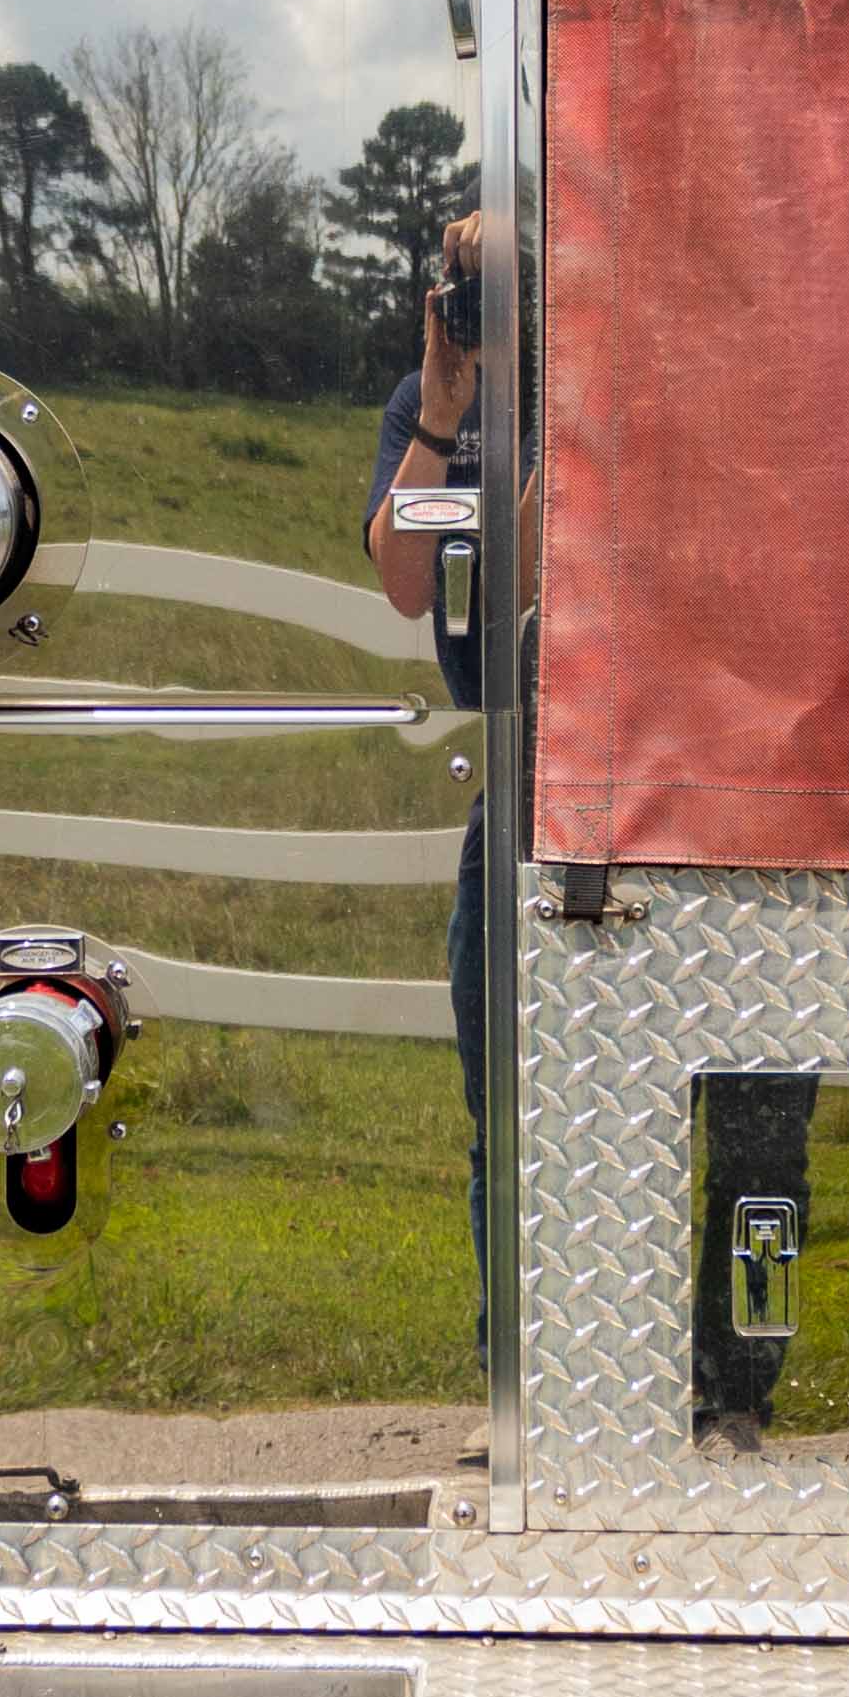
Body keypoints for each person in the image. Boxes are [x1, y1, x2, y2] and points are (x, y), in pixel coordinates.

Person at [366, 207, 490, 1282]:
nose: (487, 309)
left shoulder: (602, 385)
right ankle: (512, 1361)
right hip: (506, 782)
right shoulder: (425, 404)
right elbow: (406, 584)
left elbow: (548, 575)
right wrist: (443, 419)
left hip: (628, 760)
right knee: (502, 1113)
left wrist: (566, 387)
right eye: (468, 285)